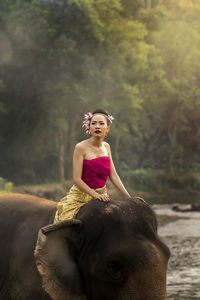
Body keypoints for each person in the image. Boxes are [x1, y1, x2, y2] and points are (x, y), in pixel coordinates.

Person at [54, 109, 132, 223]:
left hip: (102, 197)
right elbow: (77, 179)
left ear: (107, 128)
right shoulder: (80, 147)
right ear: (89, 128)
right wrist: (95, 195)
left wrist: (129, 197)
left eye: (101, 123)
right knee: (65, 225)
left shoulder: (107, 147)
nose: (97, 126)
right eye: (93, 123)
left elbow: (113, 176)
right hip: (80, 197)